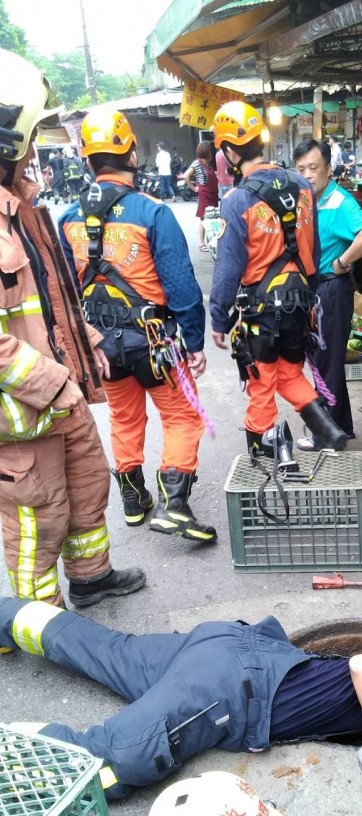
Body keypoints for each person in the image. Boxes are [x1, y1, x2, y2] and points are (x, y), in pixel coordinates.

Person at [1, 595, 362, 801]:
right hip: (230, 686)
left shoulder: (357, 715)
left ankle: (8, 615)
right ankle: (12, 755)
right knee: (119, 759)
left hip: (225, 645)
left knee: (108, 650)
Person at [0, 50, 145, 609]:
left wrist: (86, 341)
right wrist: (51, 382)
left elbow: (51, 291)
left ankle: (90, 579)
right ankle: (40, 619)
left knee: (87, 488)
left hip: (60, 393)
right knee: (38, 518)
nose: (36, 151)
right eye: (30, 137)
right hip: (23, 412)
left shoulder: (24, 207)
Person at [59, 108, 216, 545]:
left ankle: (133, 502)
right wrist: (196, 341)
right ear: (131, 153)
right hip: (154, 341)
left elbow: (65, 289)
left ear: (87, 161)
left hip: (101, 345)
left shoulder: (68, 217)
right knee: (183, 416)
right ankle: (176, 505)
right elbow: (181, 283)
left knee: (125, 420)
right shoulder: (152, 212)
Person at [209, 101, 348, 454]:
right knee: (289, 374)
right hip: (299, 302)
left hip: (262, 310)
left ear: (228, 151)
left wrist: (218, 318)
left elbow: (228, 266)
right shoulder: (302, 185)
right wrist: (311, 299)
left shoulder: (237, 199)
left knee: (262, 382)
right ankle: (329, 431)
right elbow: (313, 250)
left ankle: (262, 452)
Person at [293, 138, 362, 447]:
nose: (308, 174)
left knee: (324, 362)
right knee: (326, 360)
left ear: (328, 168)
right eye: (301, 169)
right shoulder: (307, 200)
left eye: (314, 168)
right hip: (315, 290)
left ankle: (324, 435)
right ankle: (339, 426)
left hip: (330, 289)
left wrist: (343, 261)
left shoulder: (339, 200)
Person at [183, 141, 218, 252]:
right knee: (204, 217)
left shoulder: (208, 164)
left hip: (213, 193)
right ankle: (201, 243)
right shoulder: (197, 163)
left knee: (214, 217)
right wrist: (194, 188)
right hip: (204, 193)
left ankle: (214, 240)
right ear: (207, 151)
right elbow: (186, 176)